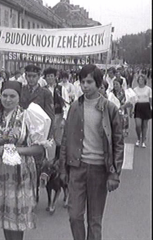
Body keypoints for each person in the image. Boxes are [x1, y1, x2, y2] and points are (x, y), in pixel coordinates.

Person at [0, 81, 51, 240]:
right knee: (5, 216)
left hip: (20, 173)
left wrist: (11, 150)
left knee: (17, 217)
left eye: (12, 96)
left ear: (19, 97)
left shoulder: (28, 116)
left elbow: (39, 148)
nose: (8, 99)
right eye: (5, 95)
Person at [59, 64, 124, 240]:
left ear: (98, 83)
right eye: (82, 82)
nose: (85, 86)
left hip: (99, 170)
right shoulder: (74, 107)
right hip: (77, 168)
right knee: (74, 216)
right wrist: (63, 169)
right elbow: (66, 139)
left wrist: (114, 174)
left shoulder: (110, 108)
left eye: (89, 82)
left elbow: (118, 142)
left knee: (94, 221)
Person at [44, 67, 70, 160]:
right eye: (48, 76)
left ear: (55, 77)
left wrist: (64, 119)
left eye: (51, 76)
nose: (50, 78)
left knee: (58, 140)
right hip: (46, 118)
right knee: (47, 139)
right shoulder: (43, 90)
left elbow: (66, 105)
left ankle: (58, 160)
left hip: (58, 116)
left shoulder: (61, 89)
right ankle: (48, 160)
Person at [133, 74, 152, 148]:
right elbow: (133, 100)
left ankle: (143, 141)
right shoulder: (135, 89)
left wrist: (151, 107)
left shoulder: (148, 89)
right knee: (138, 125)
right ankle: (138, 138)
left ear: (144, 80)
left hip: (146, 106)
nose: (141, 81)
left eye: (142, 79)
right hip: (138, 106)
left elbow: (150, 99)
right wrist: (132, 110)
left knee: (144, 125)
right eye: (139, 79)